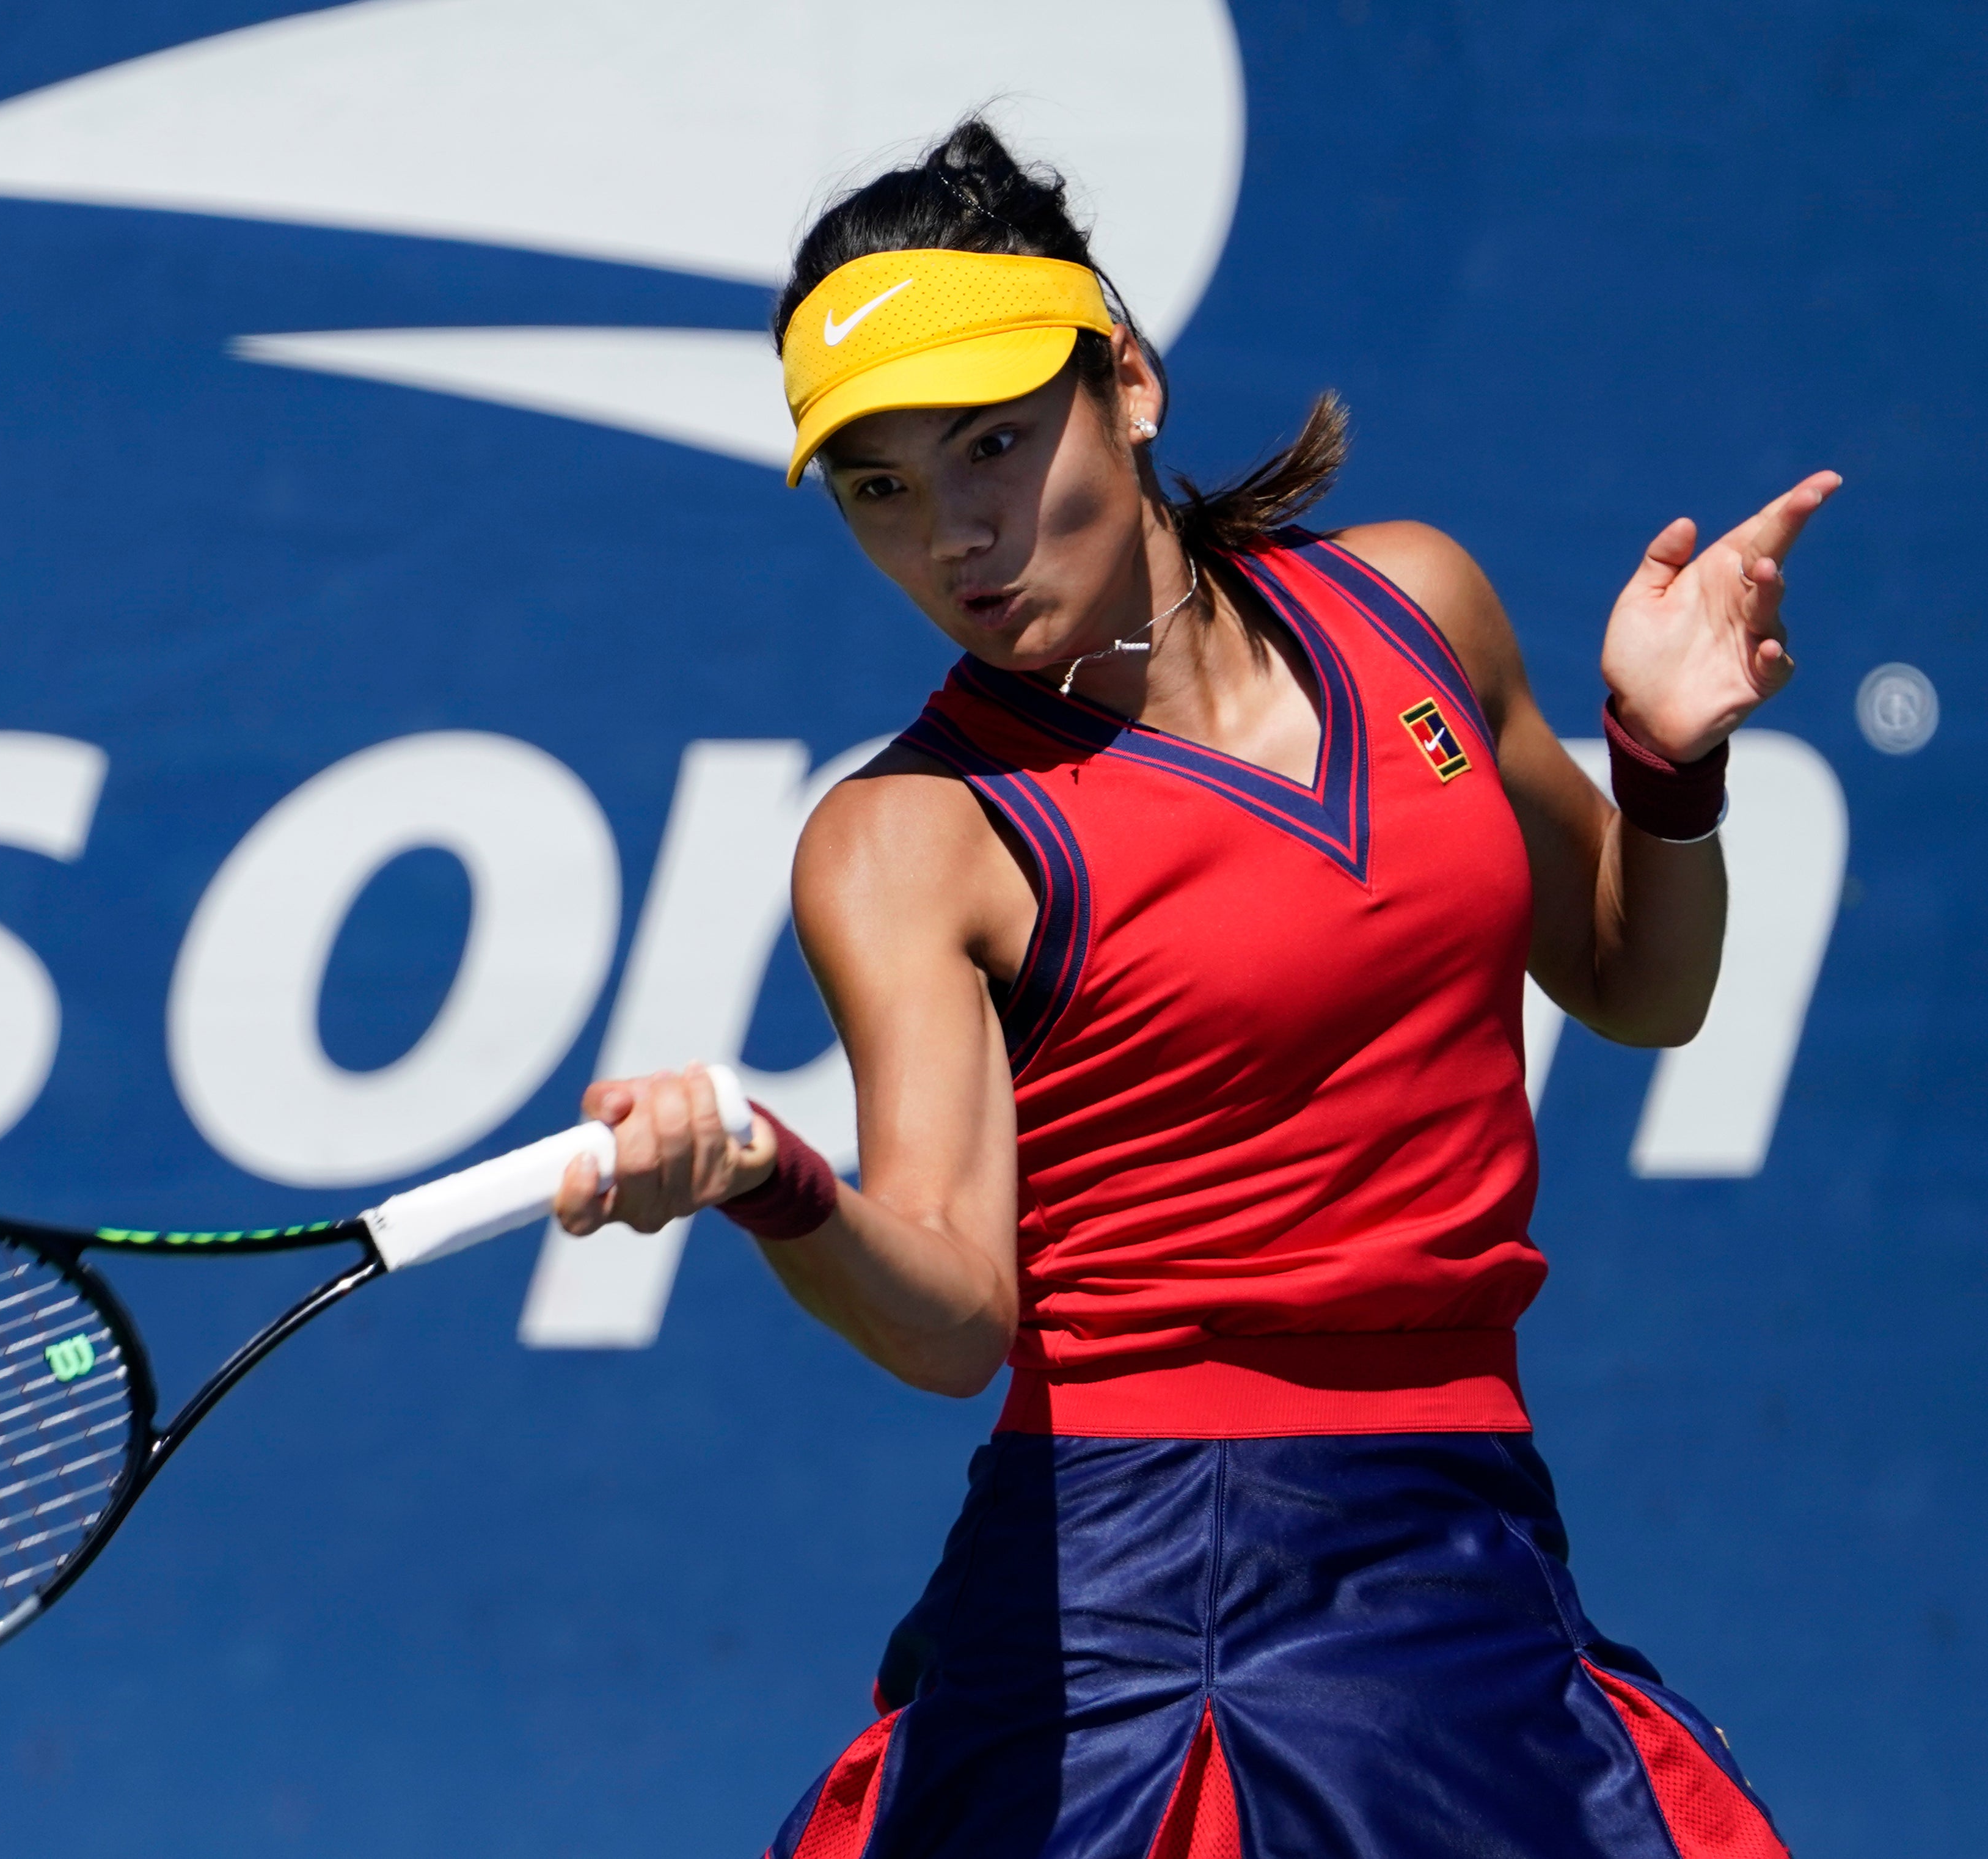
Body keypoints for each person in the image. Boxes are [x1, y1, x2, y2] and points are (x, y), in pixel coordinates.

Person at [550, 120, 1836, 1858]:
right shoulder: (904, 837)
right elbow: (948, 1315)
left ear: (1130, 383)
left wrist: (1667, 773)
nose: (956, 534)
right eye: (879, 486)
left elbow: (1632, 983)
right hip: (1142, 1591)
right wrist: (768, 1179)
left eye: (996, 444)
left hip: (1464, 1534)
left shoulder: (1416, 609)